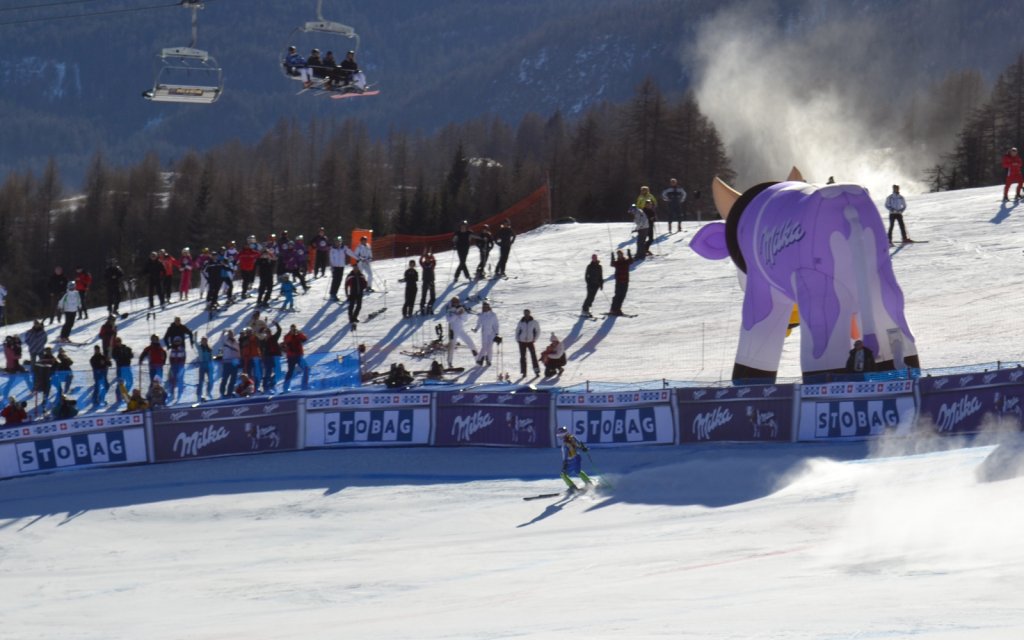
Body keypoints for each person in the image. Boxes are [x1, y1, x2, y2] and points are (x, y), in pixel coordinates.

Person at [556, 425, 594, 492]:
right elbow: (579, 445)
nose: (559, 436)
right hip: (577, 458)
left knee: (563, 474)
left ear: (563, 434)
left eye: (560, 434)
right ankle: (588, 483)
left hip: (572, 460)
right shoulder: (572, 437)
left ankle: (572, 487)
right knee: (578, 471)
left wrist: (564, 463)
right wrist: (583, 448)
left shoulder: (565, 443)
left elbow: (565, 454)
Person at [445, 296, 478, 366]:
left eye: (457, 302)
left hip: (460, 330)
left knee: (470, 343)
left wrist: (462, 313)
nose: (455, 304)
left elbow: (465, 319)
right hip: (453, 331)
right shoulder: (449, 310)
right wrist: (457, 314)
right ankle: (449, 362)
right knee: (452, 346)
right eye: (454, 302)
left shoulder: (461, 308)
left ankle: (477, 359)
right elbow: (449, 320)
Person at [282, 324, 310, 392]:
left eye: (294, 329)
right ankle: (285, 388)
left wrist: (299, 333)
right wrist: (291, 334)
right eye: (292, 328)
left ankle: (304, 386)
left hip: (298, 355)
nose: (293, 330)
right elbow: (286, 341)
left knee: (306, 368)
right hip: (291, 356)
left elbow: (305, 339)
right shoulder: (287, 336)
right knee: (290, 371)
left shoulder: (298, 335)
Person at [515, 308, 541, 377]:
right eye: (525, 313)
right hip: (522, 342)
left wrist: (534, 339)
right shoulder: (521, 322)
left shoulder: (534, 322)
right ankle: (524, 372)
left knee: (533, 356)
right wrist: (518, 339)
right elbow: (517, 331)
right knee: (523, 357)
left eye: (527, 313)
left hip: (530, 342)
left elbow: (538, 331)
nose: (526, 315)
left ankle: (536, 371)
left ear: (529, 313)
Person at [473, 301, 500, 367]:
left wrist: (496, 333)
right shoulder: (482, 315)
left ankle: (488, 360)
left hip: (491, 333)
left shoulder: (493, 315)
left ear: (488, 307)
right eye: (483, 307)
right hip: (484, 333)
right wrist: (476, 329)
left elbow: (496, 324)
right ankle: (480, 359)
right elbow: (479, 323)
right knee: (484, 347)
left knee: (489, 347)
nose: (485, 308)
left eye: (486, 306)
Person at [609, 249, 634, 316]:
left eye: (620, 254)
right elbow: (612, 264)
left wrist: (629, 254)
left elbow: (631, 261)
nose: (620, 256)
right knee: (617, 296)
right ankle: (615, 309)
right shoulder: (617, 263)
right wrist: (612, 257)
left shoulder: (626, 261)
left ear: (622, 255)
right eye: (618, 255)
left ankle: (616, 309)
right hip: (619, 282)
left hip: (625, 282)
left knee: (622, 296)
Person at [111, 337, 134, 403]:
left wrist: (128, 354)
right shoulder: (115, 350)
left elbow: (131, 355)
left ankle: (124, 395)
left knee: (130, 382)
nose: (118, 343)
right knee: (120, 384)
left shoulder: (126, 348)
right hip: (120, 368)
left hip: (127, 367)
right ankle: (119, 398)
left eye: (119, 341)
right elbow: (115, 357)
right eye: (117, 342)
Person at [219, 329, 240, 397]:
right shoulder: (225, 341)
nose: (230, 334)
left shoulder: (236, 342)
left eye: (232, 333)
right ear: (228, 334)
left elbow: (238, 351)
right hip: (227, 362)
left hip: (234, 363)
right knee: (225, 378)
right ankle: (222, 393)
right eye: (229, 333)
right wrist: (223, 332)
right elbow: (221, 339)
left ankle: (229, 393)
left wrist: (239, 360)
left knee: (233, 379)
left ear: (233, 334)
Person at [196, 336, 215, 402]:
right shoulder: (200, 347)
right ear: (201, 341)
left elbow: (211, 357)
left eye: (205, 340)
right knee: (201, 380)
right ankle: (199, 394)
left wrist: (212, 365)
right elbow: (195, 343)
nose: (204, 341)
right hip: (202, 365)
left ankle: (208, 391)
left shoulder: (209, 348)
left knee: (210, 379)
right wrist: (194, 337)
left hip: (208, 365)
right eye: (203, 340)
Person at [419, 250, 437, 314]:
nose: (427, 259)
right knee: (424, 296)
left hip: (431, 281)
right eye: (426, 258)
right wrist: (422, 255)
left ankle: (429, 307)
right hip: (425, 282)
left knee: (433, 297)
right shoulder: (423, 264)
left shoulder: (432, 263)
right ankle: (422, 308)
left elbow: (434, 261)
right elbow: (420, 261)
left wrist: (432, 256)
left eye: (428, 258)